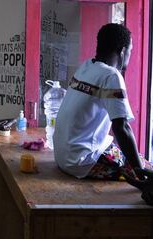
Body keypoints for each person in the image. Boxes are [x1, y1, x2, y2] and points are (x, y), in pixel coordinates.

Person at [53, 23, 150, 180]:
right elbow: (122, 128)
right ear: (123, 51)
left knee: (132, 157)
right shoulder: (111, 76)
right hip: (80, 162)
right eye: (130, 50)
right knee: (144, 168)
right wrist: (140, 173)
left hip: (63, 157)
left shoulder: (85, 67)